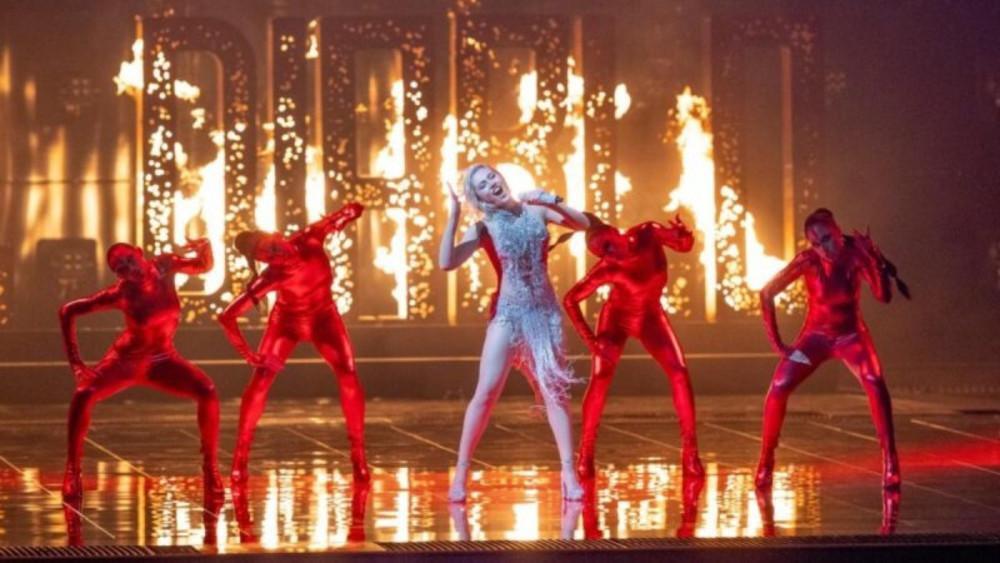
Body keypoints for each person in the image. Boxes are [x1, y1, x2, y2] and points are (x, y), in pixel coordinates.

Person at [438, 164, 590, 502]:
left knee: (555, 391)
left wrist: (551, 198)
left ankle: (569, 473)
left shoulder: (536, 210)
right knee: (486, 393)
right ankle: (460, 474)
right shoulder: (484, 228)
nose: (492, 183)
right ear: (479, 197)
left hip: (544, 314)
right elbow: (446, 262)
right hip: (508, 316)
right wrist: (454, 215)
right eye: (483, 184)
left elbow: (582, 224)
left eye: (492, 176)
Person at [755, 208, 908, 490]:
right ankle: (766, 460)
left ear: (838, 231)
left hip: (851, 335)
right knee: (778, 386)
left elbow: (883, 296)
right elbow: (766, 293)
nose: (823, 248)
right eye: (816, 243)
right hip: (815, 337)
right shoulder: (808, 260)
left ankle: (890, 460)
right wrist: (780, 346)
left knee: (875, 382)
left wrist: (873, 260)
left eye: (827, 239)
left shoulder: (855, 255)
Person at [218, 202, 370, 488]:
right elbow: (227, 316)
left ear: (278, 235)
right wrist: (249, 355)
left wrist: (348, 213)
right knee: (261, 381)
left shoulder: (310, 238)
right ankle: (240, 457)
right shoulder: (271, 277)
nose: (277, 255)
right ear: (264, 263)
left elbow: (341, 215)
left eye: (273, 246)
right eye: (268, 256)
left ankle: (358, 454)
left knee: (348, 374)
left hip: (324, 318)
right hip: (286, 323)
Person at [58, 239, 221, 504]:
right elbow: (67, 311)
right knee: (83, 395)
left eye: (129, 259)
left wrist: (205, 247)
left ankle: (211, 469)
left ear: (140, 253)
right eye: (120, 267)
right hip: (126, 361)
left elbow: (203, 266)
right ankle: (72, 470)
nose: (127, 268)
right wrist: (76, 363)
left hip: (163, 359)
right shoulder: (121, 294)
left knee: (207, 390)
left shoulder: (166, 266)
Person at [562, 214, 704, 480]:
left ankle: (690, 452)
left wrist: (684, 235)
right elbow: (570, 299)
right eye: (601, 252)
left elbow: (683, 247)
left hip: (651, 316)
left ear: (614, 231)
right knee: (601, 377)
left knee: (680, 373)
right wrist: (590, 340)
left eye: (606, 244)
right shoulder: (608, 267)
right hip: (617, 319)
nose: (608, 253)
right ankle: (586, 452)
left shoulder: (648, 232)